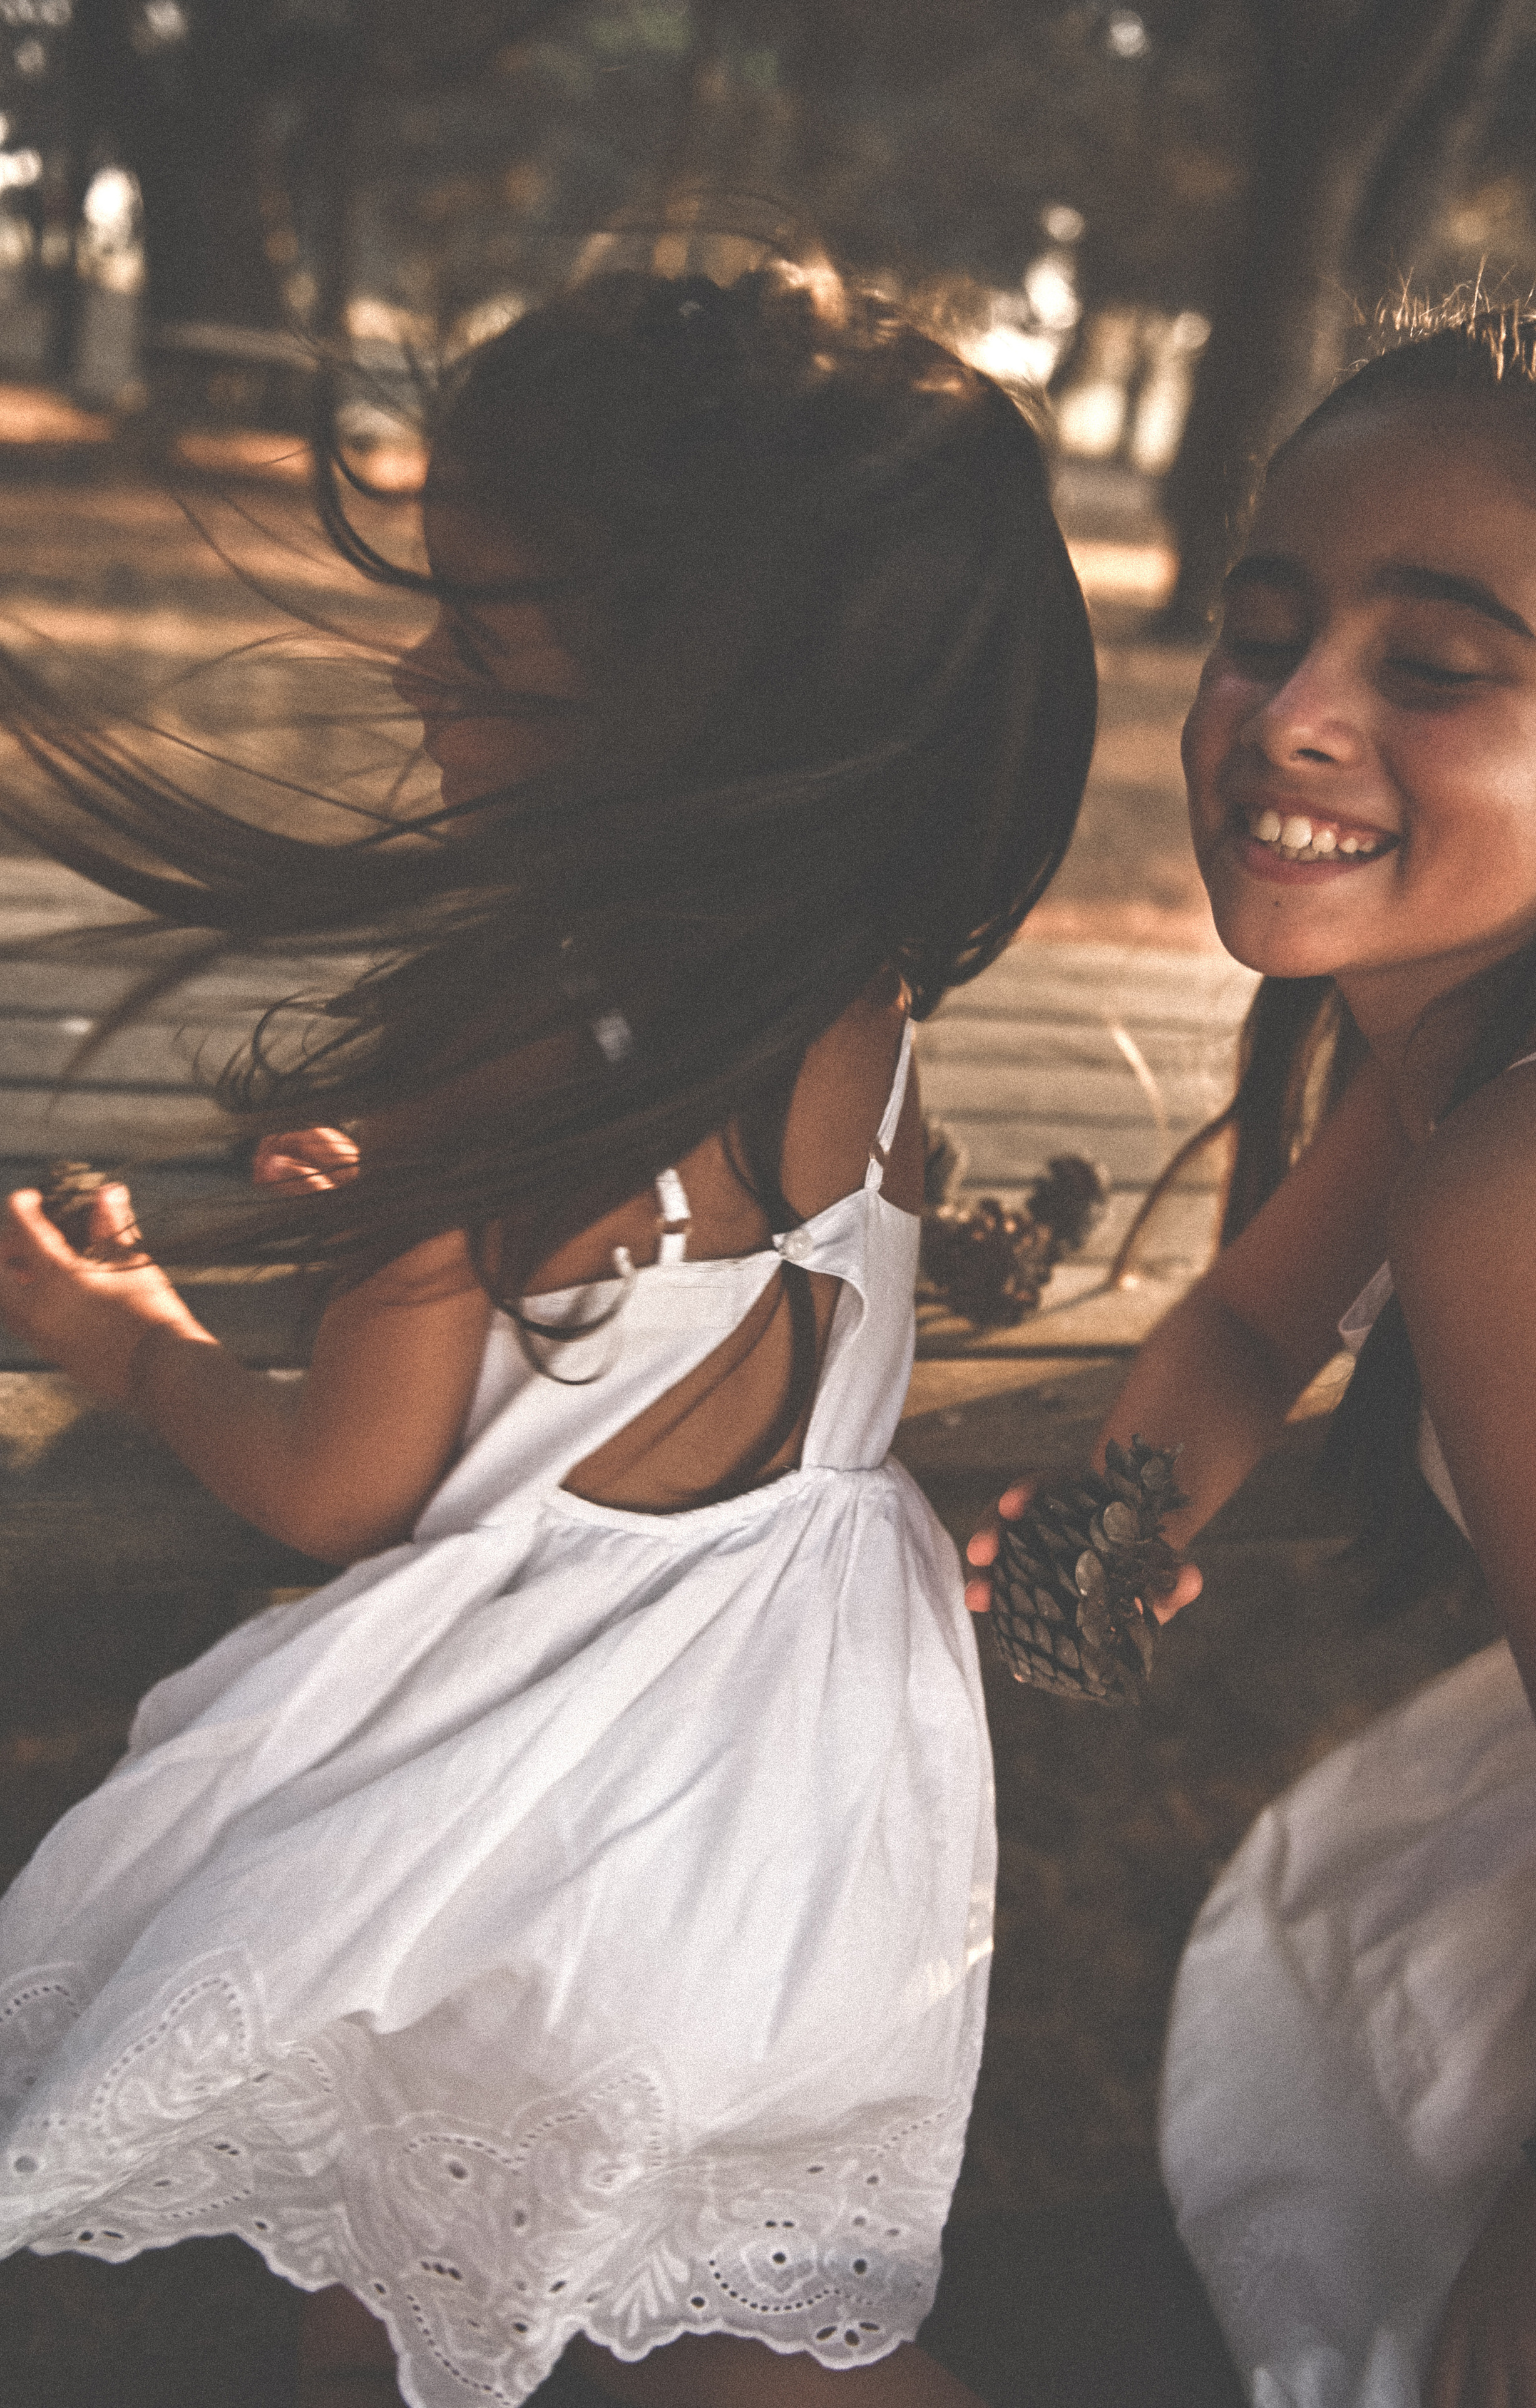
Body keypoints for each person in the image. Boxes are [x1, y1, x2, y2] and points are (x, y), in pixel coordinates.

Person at [0, 262, 1097, 2408]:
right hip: (805, 1770)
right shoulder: (862, 985)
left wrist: (117, 1329)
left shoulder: (507, 1036)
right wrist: (428, 1225)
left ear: (685, 699)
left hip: (536, 1792)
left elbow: (344, 1483)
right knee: (701, 2306)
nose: (416, 668)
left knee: (403, 2270)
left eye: (480, 627)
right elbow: (702, 1294)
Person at [965, 302, 1536, 2408]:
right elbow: (1256, 1314)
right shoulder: (1452, 1031)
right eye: (1265, 628)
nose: (1296, 716)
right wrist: (1126, 1506)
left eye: (1431, 669)